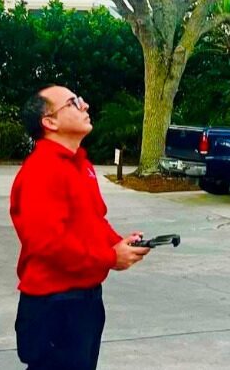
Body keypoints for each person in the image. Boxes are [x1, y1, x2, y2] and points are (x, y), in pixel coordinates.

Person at [10, 85, 150, 369]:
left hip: (84, 298)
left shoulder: (79, 164)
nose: (84, 106)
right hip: (54, 304)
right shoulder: (42, 169)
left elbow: (94, 218)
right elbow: (48, 244)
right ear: (49, 122)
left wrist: (117, 243)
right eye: (73, 103)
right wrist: (110, 257)